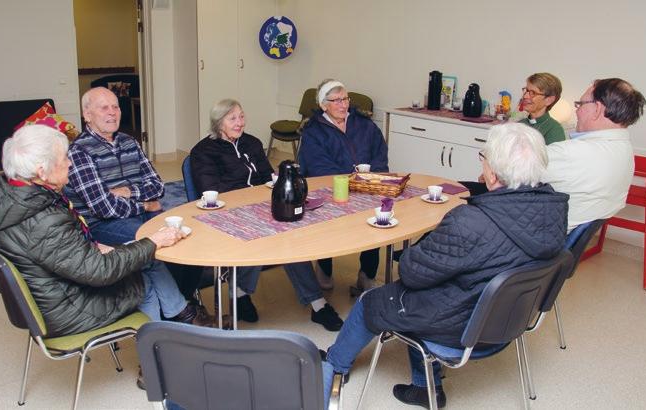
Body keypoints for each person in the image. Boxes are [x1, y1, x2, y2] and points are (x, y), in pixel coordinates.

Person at [320, 123, 569, 408]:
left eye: (483, 157)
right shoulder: (555, 210)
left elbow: (412, 274)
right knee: (429, 290)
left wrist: (416, 249)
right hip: (509, 318)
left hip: (461, 323)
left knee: (373, 300)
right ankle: (425, 387)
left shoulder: (470, 221)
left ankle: (335, 363)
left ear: (493, 171)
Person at [0, 125, 213, 338]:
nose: (70, 163)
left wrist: (96, 247)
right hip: (67, 307)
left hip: (52, 288)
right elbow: (99, 271)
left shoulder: (10, 195)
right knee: (145, 280)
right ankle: (159, 358)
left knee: (144, 259)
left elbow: (56, 250)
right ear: (41, 171)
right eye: (63, 158)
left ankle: (181, 318)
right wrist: (153, 241)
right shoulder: (43, 219)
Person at [189, 99, 344, 331]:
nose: (240, 122)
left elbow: (267, 175)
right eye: (233, 118)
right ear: (218, 123)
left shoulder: (252, 143)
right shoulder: (204, 151)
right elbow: (211, 189)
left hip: (262, 207)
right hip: (230, 214)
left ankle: (317, 304)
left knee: (290, 232)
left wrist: (278, 183)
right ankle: (241, 295)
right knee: (265, 234)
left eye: (241, 116)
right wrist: (251, 200)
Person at [64, 87, 207, 308]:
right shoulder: (79, 152)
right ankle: (183, 311)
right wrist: (145, 205)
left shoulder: (129, 142)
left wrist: (129, 191)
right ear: (87, 115)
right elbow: (103, 207)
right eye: (104, 107)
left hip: (140, 214)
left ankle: (183, 299)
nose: (112, 112)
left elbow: (157, 186)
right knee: (153, 245)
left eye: (116, 106)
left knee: (185, 239)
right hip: (103, 225)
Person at [297, 79, 389, 295]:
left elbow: (380, 155)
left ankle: (367, 274)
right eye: (336, 100)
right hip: (331, 189)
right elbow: (318, 167)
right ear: (323, 105)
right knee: (326, 221)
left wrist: (374, 177)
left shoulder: (365, 125)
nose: (343, 104)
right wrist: (348, 181)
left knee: (375, 219)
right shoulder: (313, 131)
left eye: (345, 98)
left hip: (366, 187)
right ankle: (324, 266)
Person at [542, 78, 646, 232]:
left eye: (580, 104)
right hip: (562, 243)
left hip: (534, 240)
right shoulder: (624, 150)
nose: (577, 110)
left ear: (597, 109)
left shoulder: (571, 153)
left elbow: (502, 170)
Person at [519, 72, 566, 145]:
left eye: (533, 93)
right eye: (526, 91)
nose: (525, 96)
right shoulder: (520, 124)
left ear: (549, 100)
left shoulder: (554, 130)